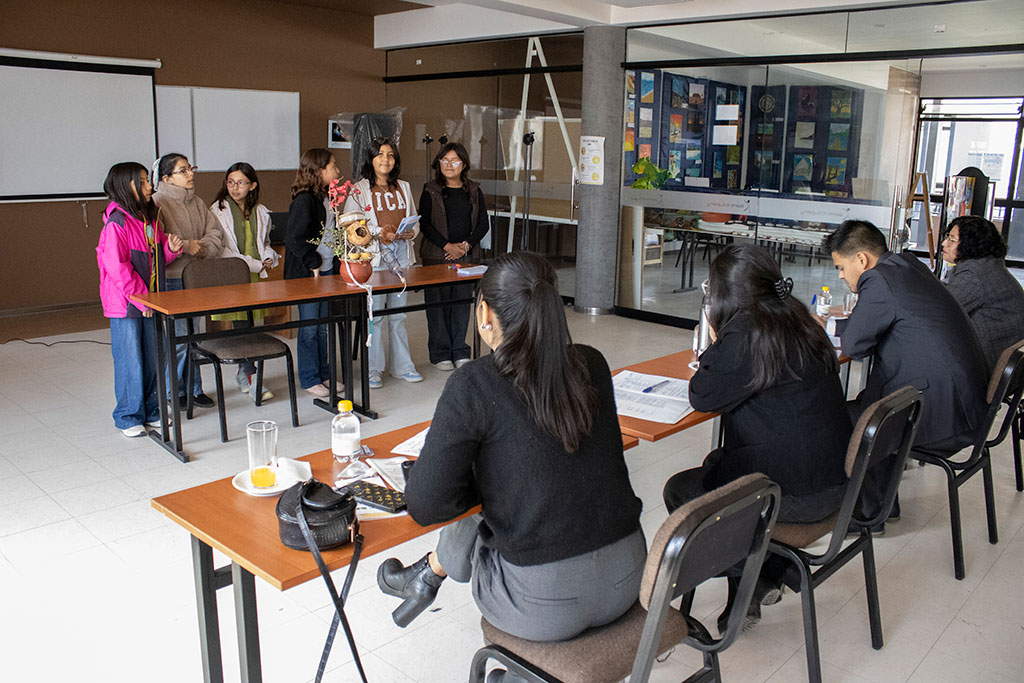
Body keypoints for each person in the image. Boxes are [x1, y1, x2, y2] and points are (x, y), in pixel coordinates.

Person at [376, 252, 645, 648]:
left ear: (484, 313)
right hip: (629, 577)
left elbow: (426, 507)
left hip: (542, 605)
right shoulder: (592, 362)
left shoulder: (474, 384)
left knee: (483, 490)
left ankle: (429, 575)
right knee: (505, 479)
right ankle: (427, 575)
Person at [662, 244, 851, 630]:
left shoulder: (747, 331)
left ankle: (753, 577)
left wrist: (714, 338)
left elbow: (702, 395)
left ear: (725, 295)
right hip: (836, 483)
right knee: (719, 466)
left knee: (682, 490)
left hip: (794, 497)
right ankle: (769, 572)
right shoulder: (797, 317)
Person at [823, 219, 988, 529]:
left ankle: (867, 512)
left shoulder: (878, 280)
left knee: (844, 419)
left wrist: (832, 329)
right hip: (961, 403)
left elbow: (856, 344)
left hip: (942, 414)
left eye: (841, 267)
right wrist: (835, 325)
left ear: (861, 259)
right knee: (873, 403)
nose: (842, 276)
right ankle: (881, 504)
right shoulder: (906, 265)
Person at [97, 162, 183, 436]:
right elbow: (118, 268)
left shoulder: (148, 217)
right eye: (144, 181)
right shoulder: (117, 222)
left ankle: (152, 411)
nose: (149, 186)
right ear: (127, 186)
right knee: (130, 360)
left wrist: (169, 251)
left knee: (153, 357)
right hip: (127, 304)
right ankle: (128, 416)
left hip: (149, 300)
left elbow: (154, 260)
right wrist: (141, 301)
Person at [344, 137, 421, 388]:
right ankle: (373, 369)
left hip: (401, 255)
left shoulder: (403, 187)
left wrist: (411, 232)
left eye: (390, 155)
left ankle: (402, 366)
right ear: (370, 159)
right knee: (374, 315)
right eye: (380, 154)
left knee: (398, 314)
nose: (386, 159)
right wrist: (379, 233)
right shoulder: (359, 189)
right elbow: (351, 225)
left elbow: (414, 220)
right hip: (374, 258)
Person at [152, 153, 224, 409]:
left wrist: (201, 247)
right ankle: (174, 391)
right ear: (167, 178)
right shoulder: (157, 202)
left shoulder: (197, 201)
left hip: (197, 276)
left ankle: (195, 388)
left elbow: (215, 233)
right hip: (173, 278)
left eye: (191, 168)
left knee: (196, 337)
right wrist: (185, 245)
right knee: (179, 339)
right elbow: (158, 241)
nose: (190, 174)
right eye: (183, 171)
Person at [209, 162, 280, 403]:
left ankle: (245, 373)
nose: (235, 187)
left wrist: (268, 257)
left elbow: (265, 243)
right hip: (233, 274)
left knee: (253, 327)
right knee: (242, 327)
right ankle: (250, 376)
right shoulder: (217, 210)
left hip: (255, 277)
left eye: (241, 183)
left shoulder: (260, 210)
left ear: (253, 185)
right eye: (230, 182)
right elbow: (223, 249)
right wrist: (255, 264)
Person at [418, 141, 490, 371]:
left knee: (461, 305)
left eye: (454, 161)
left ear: (464, 164)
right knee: (437, 306)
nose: (449, 165)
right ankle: (440, 354)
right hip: (436, 256)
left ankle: (459, 350)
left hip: (466, 257)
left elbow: (483, 224)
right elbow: (425, 224)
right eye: (444, 160)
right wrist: (447, 246)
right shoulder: (430, 189)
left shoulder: (474, 190)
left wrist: (465, 246)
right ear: (438, 163)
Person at [284, 148, 340, 398]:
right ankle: (309, 378)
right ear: (319, 170)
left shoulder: (326, 197)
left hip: (326, 270)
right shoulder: (304, 200)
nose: (337, 170)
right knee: (309, 327)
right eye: (333, 166)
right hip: (309, 273)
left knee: (323, 327)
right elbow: (295, 238)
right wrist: (312, 260)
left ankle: (324, 373)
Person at [941, 215, 1024, 373]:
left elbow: (940, 312)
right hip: (1006, 365)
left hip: (985, 368)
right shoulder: (988, 265)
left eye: (952, 239)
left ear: (970, 244)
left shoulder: (974, 273)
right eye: (947, 237)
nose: (944, 243)